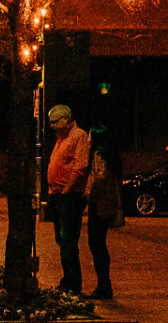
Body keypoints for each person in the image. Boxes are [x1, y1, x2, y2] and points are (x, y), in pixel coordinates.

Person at [45, 103, 92, 293]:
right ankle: (68, 280)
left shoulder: (78, 136)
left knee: (68, 241)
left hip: (69, 196)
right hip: (58, 195)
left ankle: (72, 284)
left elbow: (80, 167)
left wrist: (67, 189)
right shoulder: (62, 138)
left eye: (55, 122)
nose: (52, 126)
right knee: (62, 240)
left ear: (66, 120)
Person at [84, 125, 125, 300]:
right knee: (99, 244)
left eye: (91, 136)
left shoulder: (99, 154)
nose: (88, 139)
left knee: (96, 244)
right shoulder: (111, 155)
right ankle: (104, 284)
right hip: (106, 203)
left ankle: (103, 285)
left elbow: (99, 178)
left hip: (99, 204)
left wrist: (88, 195)